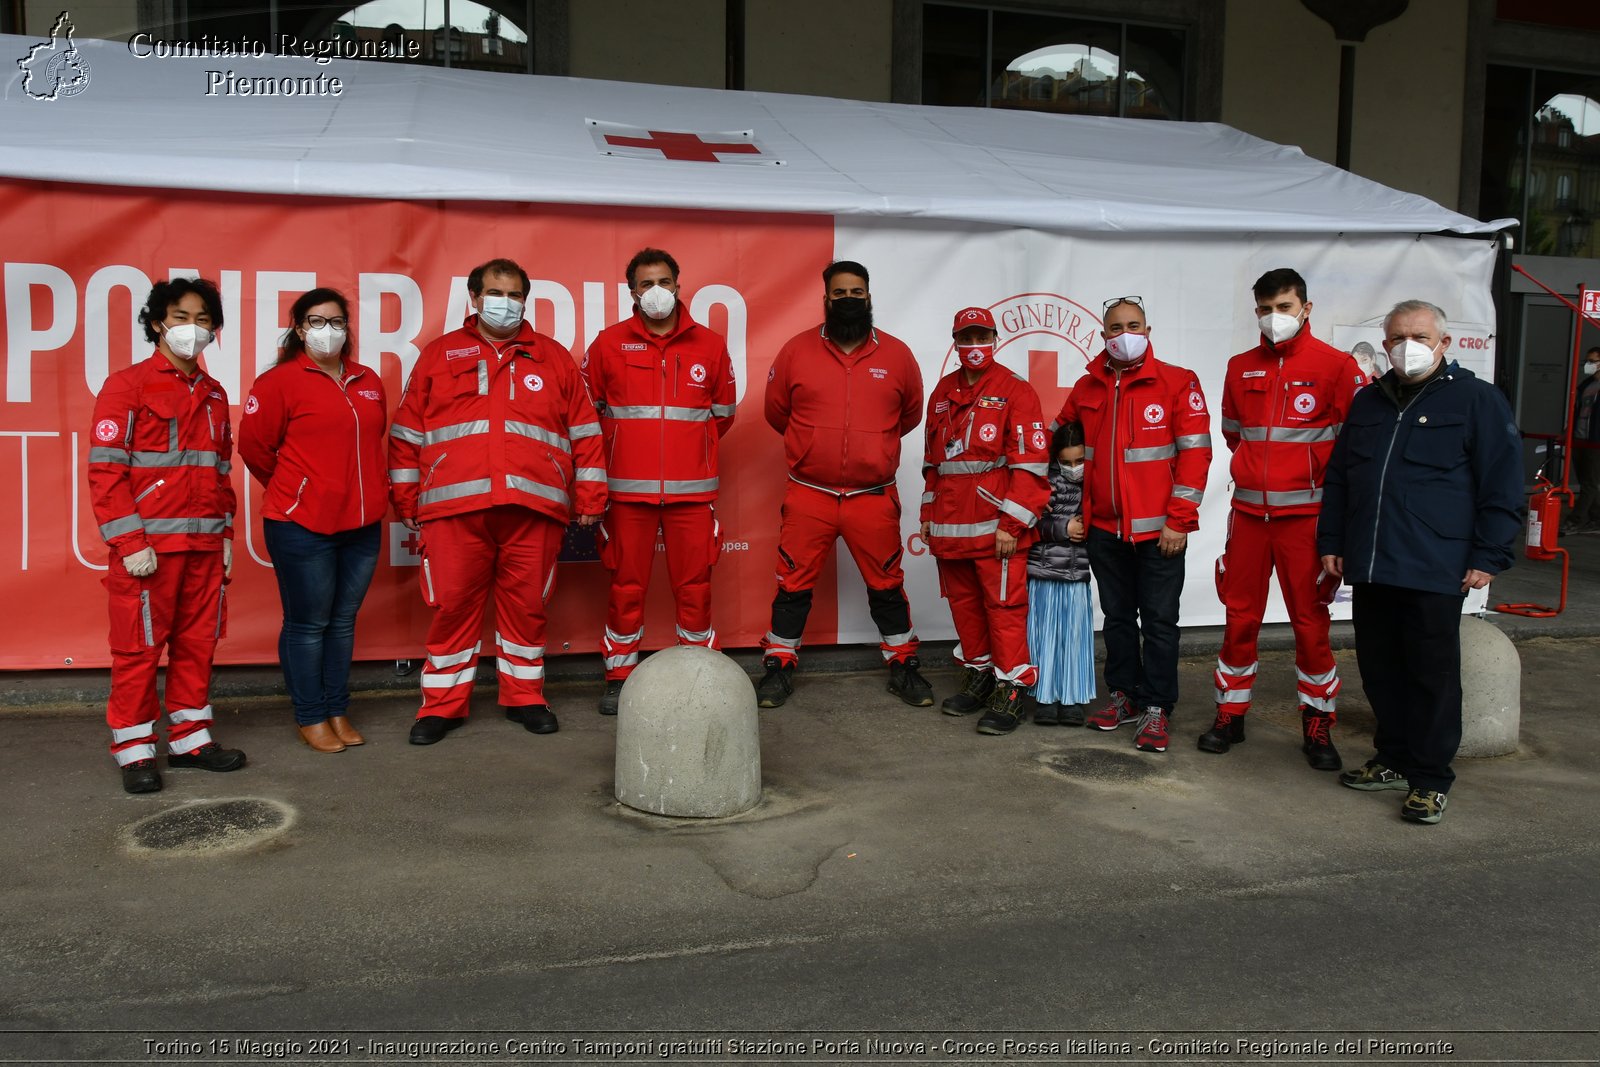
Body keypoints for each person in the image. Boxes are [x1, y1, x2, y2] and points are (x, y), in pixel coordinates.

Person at [1318, 299, 1523, 824]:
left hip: (1436, 564)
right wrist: (1333, 540)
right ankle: (1393, 758)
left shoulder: (1477, 401)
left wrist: (1489, 554)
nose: (1408, 346)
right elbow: (1341, 479)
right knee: (1381, 670)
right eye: (1398, 338)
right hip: (1371, 562)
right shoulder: (1369, 404)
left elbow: (1502, 483)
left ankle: (1431, 778)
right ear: (1384, 345)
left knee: (1431, 676)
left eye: (1420, 337)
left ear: (1443, 344)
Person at [388, 258, 606, 744]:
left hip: (534, 508)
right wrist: (405, 499)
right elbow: (406, 433)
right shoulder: (438, 356)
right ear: (473, 298)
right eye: (494, 293)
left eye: (514, 295)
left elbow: (586, 434)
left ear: (525, 300)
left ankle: (525, 696)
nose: (504, 303)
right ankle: (442, 706)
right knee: (451, 607)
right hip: (453, 510)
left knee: (528, 607)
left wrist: (591, 494)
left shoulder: (554, 359)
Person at [88, 277, 246, 793]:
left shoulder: (215, 393)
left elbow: (218, 471)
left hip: (202, 548)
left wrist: (225, 535)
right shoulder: (126, 386)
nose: (192, 329)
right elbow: (106, 473)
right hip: (150, 553)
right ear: (157, 322)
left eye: (203, 320)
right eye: (181, 317)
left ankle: (190, 740)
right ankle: (135, 752)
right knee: (137, 651)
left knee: (198, 645)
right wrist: (130, 543)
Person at [1206, 268, 1366, 770]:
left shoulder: (1337, 367)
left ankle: (1318, 724)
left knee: (1309, 624)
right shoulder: (1239, 367)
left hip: (1307, 521)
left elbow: (1351, 453)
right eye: (1265, 309)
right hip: (1249, 516)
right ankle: (1230, 714)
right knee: (1239, 620)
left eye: (1284, 307)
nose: (1274, 318)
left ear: (1306, 308)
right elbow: (1235, 434)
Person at [758, 260, 931, 709]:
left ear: (869, 297)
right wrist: (815, 445)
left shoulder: (897, 355)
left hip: (871, 497)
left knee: (887, 585)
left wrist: (870, 449)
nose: (849, 299)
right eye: (840, 293)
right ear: (826, 299)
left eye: (857, 292)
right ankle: (778, 665)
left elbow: (909, 415)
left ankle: (902, 665)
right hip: (809, 494)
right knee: (792, 585)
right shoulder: (796, 351)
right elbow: (777, 412)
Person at [1051, 296, 1211, 753]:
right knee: (1118, 618)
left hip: (1161, 533)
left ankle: (1157, 707)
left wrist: (1178, 521)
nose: (1124, 334)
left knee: (1160, 621)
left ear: (1148, 330)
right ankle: (1124, 696)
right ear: (1104, 336)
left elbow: (1197, 455)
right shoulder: (1087, 387)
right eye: (1116, 327)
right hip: (1104, 530)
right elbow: (1058, 439)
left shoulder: (1178, 382)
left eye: (1133, 325)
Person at [581, 248, 737, 716]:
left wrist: (692, 453)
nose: (656, 292)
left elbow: (723, 414)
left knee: (695, 587)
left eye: (664, 282)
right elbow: (587, 416)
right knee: (626, 587)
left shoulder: (710, 345)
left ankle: (697, 671)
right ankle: (620, 675)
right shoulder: (608, 343)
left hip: (692, 493)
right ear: (631, 292)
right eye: (646, 284)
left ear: (678, 285)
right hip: (626, 493)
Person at [239, 288, 389, 754]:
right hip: (301, 524)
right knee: (308, 624)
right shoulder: (278, 382)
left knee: (342, 622)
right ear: (300, 329)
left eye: (337, 322)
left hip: (361, 524)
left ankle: (337, 708)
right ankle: (311, 715)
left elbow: (372, 438)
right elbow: (255, 449)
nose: (329, 330)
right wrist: (297, 488)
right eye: (317, 322)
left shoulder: (368, 380)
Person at [919, 307, 1050, 734]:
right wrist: (927, 514)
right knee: (965, 607)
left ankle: (1011, 690)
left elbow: (1031, 464)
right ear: (955, 342)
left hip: (997, 530)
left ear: (994, 338)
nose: (974, 345)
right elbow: (933, 463)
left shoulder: (1016, 390)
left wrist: (1012, 525)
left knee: (1004, 609)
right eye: (966, 337)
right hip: (949, 529)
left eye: (982, 337)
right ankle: (979, 676)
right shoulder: (941, 392)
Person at [1025, 421, 1096, 727]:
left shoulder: (1098, 481)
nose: (1073, 468)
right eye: (1066, 462)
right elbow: (1028, 522)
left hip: (1077, 572)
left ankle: (1072, 700)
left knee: (1074, 638)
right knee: (1043, 637)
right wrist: (1062, 528)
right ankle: (1044, 697)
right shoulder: (1044, 481)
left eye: (1079, 461)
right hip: (1043, 571)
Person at [1564, 346, 1600, 535]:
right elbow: (1578, 411)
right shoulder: (1586, 385)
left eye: (1593, 361)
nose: (1588, 365)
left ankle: (1575, 519)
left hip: (1595, 441)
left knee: (1589, 482)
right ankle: (1596, 518)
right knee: (1586, 481)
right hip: (1579, 438)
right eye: (1587, 361)